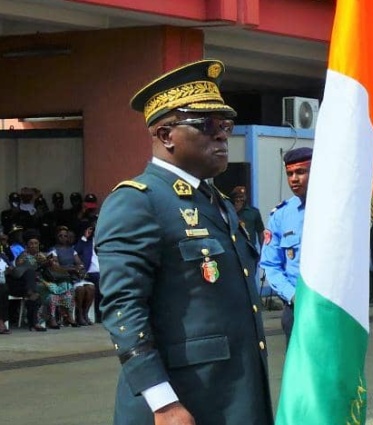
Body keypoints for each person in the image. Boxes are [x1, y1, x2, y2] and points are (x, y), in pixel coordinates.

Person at [95, 59, 272, 425]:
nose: (222, 135)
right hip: (180, 404)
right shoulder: (138, 201)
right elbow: (123, 309)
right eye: (207, 125)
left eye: (225, 125)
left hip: (233, 396)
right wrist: (162, 403)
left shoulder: (217, 202)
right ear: (165, 135)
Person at [260, 147, 312, 346]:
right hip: (296, 307)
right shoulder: (281, 215)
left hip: (331, 306)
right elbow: (271, 264)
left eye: (301, 172)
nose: (294, 179)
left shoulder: (336, 209)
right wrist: (293, 296)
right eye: (290, 173)